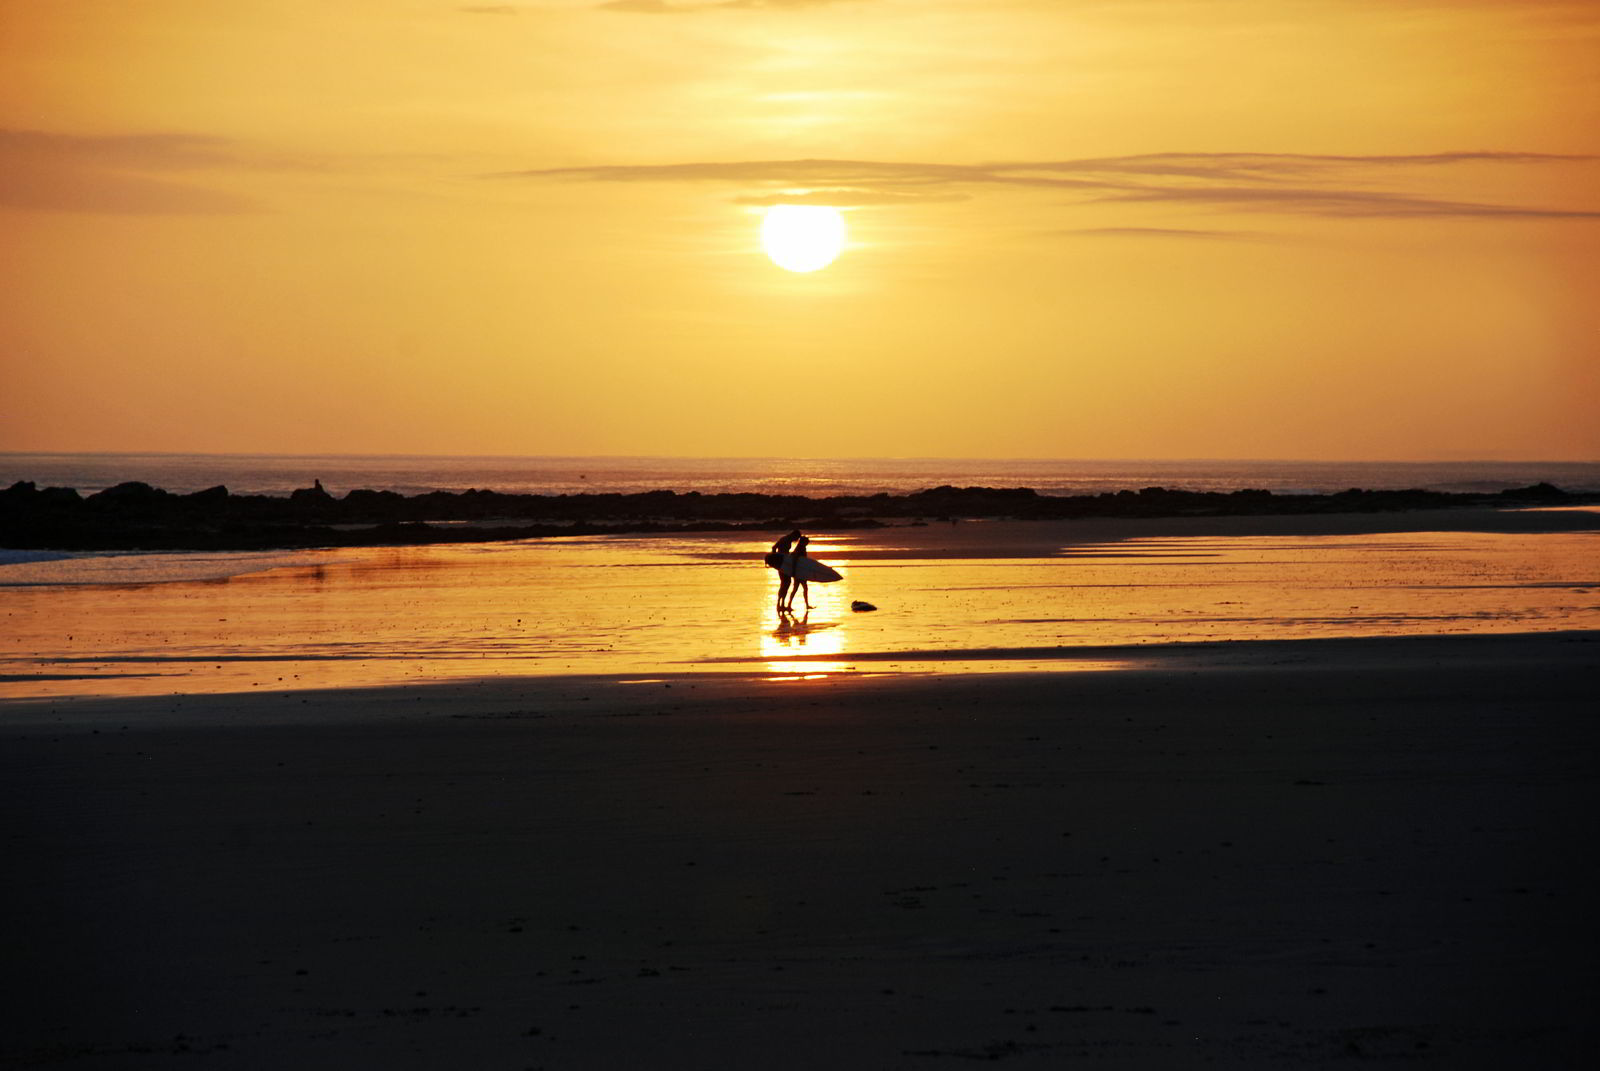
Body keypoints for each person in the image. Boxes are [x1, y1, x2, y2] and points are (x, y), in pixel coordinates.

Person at [769, 529, 802, 612]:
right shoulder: (784, 539)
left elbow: (785, 552)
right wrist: (775, 559)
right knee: (785, 583)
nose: (797, 540)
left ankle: (782, 605)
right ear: (794, 535)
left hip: (785, 563)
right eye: (797, 538)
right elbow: (774, 547)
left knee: (786, 583)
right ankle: (779, 605)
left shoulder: (788, 540)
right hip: (782, 564)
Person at [787, 534, 813, 611]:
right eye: (807, 542)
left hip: (800, 571)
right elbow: (795, 560)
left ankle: (805, 605)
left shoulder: (800, 548)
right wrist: (794, 571)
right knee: (798, 589)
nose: (807, 543)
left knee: (800, 588)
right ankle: (790, 605)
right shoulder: (800, 548)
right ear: (803, 542)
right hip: (799, 572)